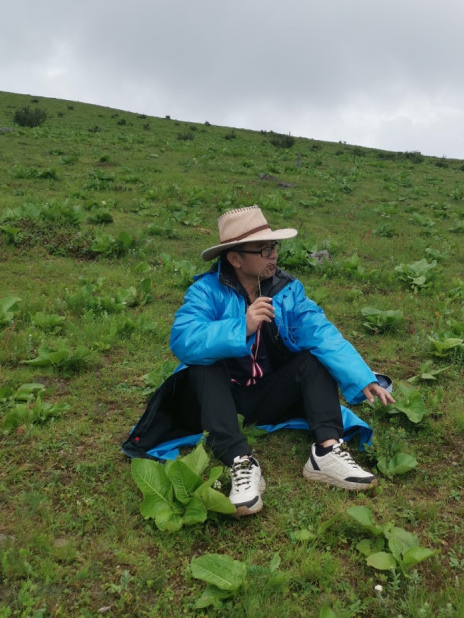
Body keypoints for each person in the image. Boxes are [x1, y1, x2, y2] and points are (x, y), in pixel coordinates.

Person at [168, 205, 395, 516]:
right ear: (235, 259)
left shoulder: (287, 290)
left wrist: (362, 375)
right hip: (221, 400)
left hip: (269, 394)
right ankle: (240, 461)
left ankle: (327, 452)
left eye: (274, 246)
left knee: (312, 358)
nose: (273, 256)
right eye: (263, 250)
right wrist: (242, 326)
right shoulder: (205, 291)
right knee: (202, 366)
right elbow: (183, 339)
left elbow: (319, 331)